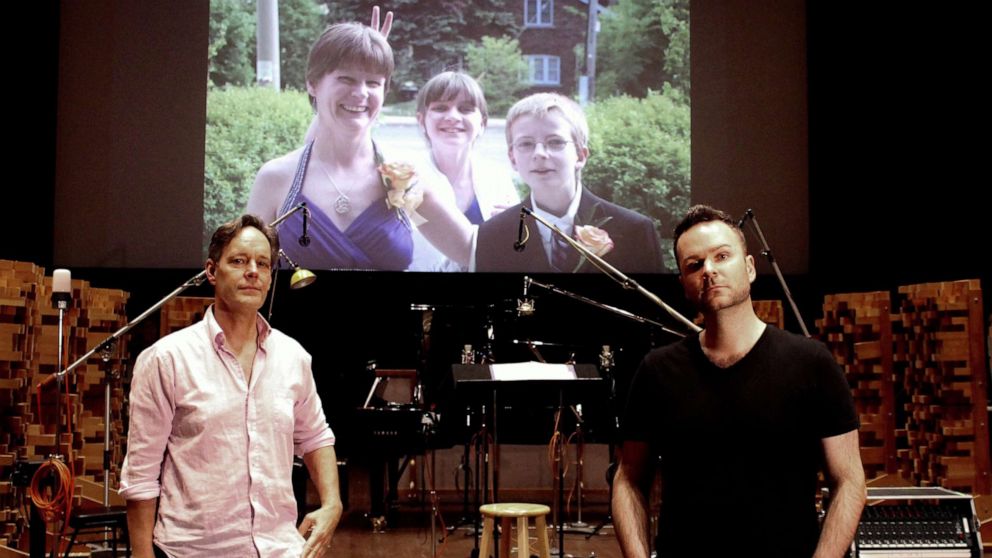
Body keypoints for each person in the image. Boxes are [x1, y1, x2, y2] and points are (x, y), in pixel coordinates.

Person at [611, 205, 866, 557]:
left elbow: (850, 480)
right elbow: (629, 478)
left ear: (748, 267)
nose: (710, 270)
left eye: (722, 256)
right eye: (694, 264)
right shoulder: (657, 371)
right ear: (683, 284)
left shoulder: (812, 364)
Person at [119, 215, 343, 558]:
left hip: (280, 549)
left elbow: (315, 436)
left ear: (270, 277)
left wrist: (332, 504)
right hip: (194, 550)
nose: (252, 271)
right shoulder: (167, 359)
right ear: (212, 271)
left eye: (263, 263)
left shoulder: (292, 357)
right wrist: (141, 554)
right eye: (239, 261)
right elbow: (141, 473)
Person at [247, 22, 472, 271]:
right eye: (346, 78)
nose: (361, 93)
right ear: (312, 83)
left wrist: (521, 214)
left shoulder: (404, 182)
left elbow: (470, 250)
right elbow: (243, 276)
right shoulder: (277, 179)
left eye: (373, 83)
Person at [474, 93, 664, 273]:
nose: (539, 153)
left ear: (581, 155)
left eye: (555, 142)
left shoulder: (634, 231)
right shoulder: (492, 235)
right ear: (513, 158)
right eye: (526, 144)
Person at [408, 71, 519, 271]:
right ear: (421, 120)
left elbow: (518, 250)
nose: (452, 117)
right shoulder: (405, 180)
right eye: (441, 108)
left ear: (482, 124)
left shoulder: (498, 179)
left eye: (465, 109)